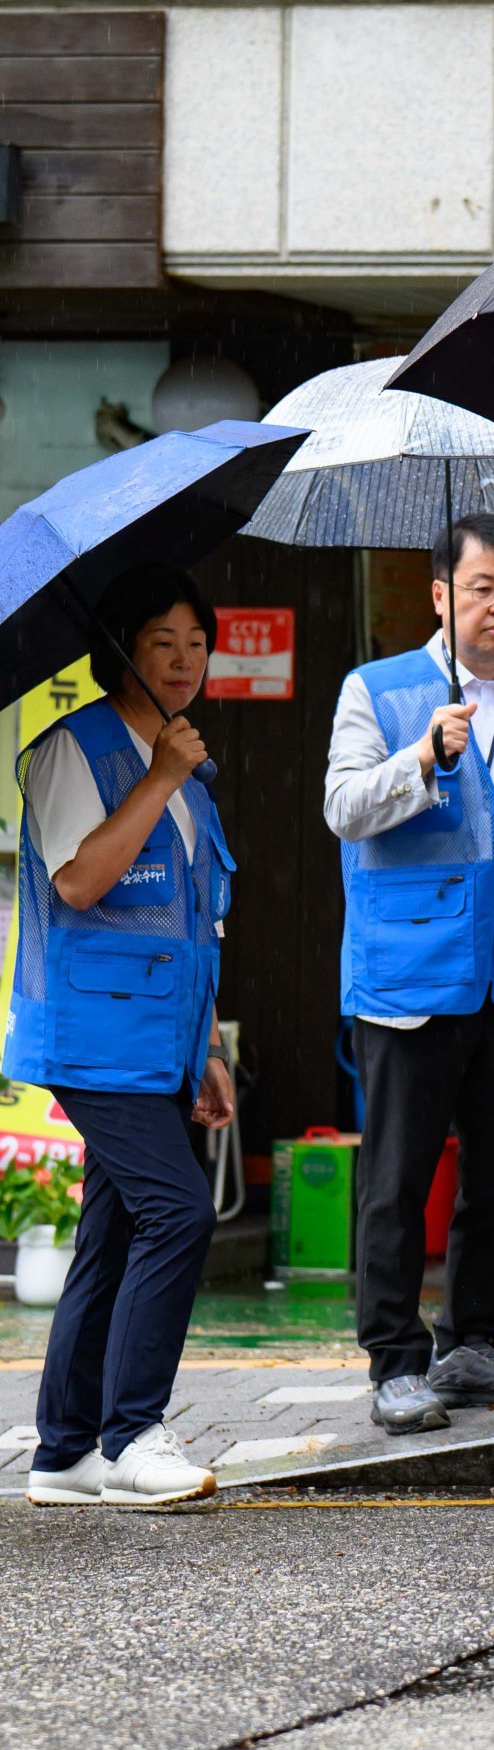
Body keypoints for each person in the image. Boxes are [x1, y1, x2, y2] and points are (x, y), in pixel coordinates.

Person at [325, 512, 494, 1434]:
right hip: (408, 977)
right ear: (440, 594)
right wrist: (423, 755)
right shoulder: (377, 691)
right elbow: (344, 807)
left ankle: (473, 1343)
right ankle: (394, 1359)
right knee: (398, 1177)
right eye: (481, 589)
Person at [9, 564, 235, 1506]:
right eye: (161, 645)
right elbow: (78, 881)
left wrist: (211, 1048)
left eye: (196, 644)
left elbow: (196, 927)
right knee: (179, 1211)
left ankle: (64, 1451)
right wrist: (159, 778)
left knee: (113, 1231)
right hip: (89, 1033)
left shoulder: (192, 773)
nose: (183, 662)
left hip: (158, 1042)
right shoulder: (75, 750)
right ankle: (134, 1432)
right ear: (118, 659)